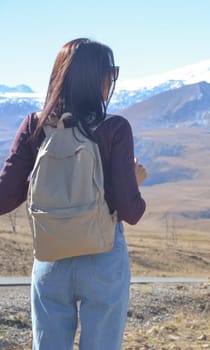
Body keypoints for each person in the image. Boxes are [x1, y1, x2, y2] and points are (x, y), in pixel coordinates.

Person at [0, 38, 147, 349]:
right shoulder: (115, 128)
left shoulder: (34, 126)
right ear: (98, 78)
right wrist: (134, 181)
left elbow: (3, 198)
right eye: (111, 72)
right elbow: (131, 211)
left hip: (51, 255)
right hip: (103, 253)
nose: (112, 78)